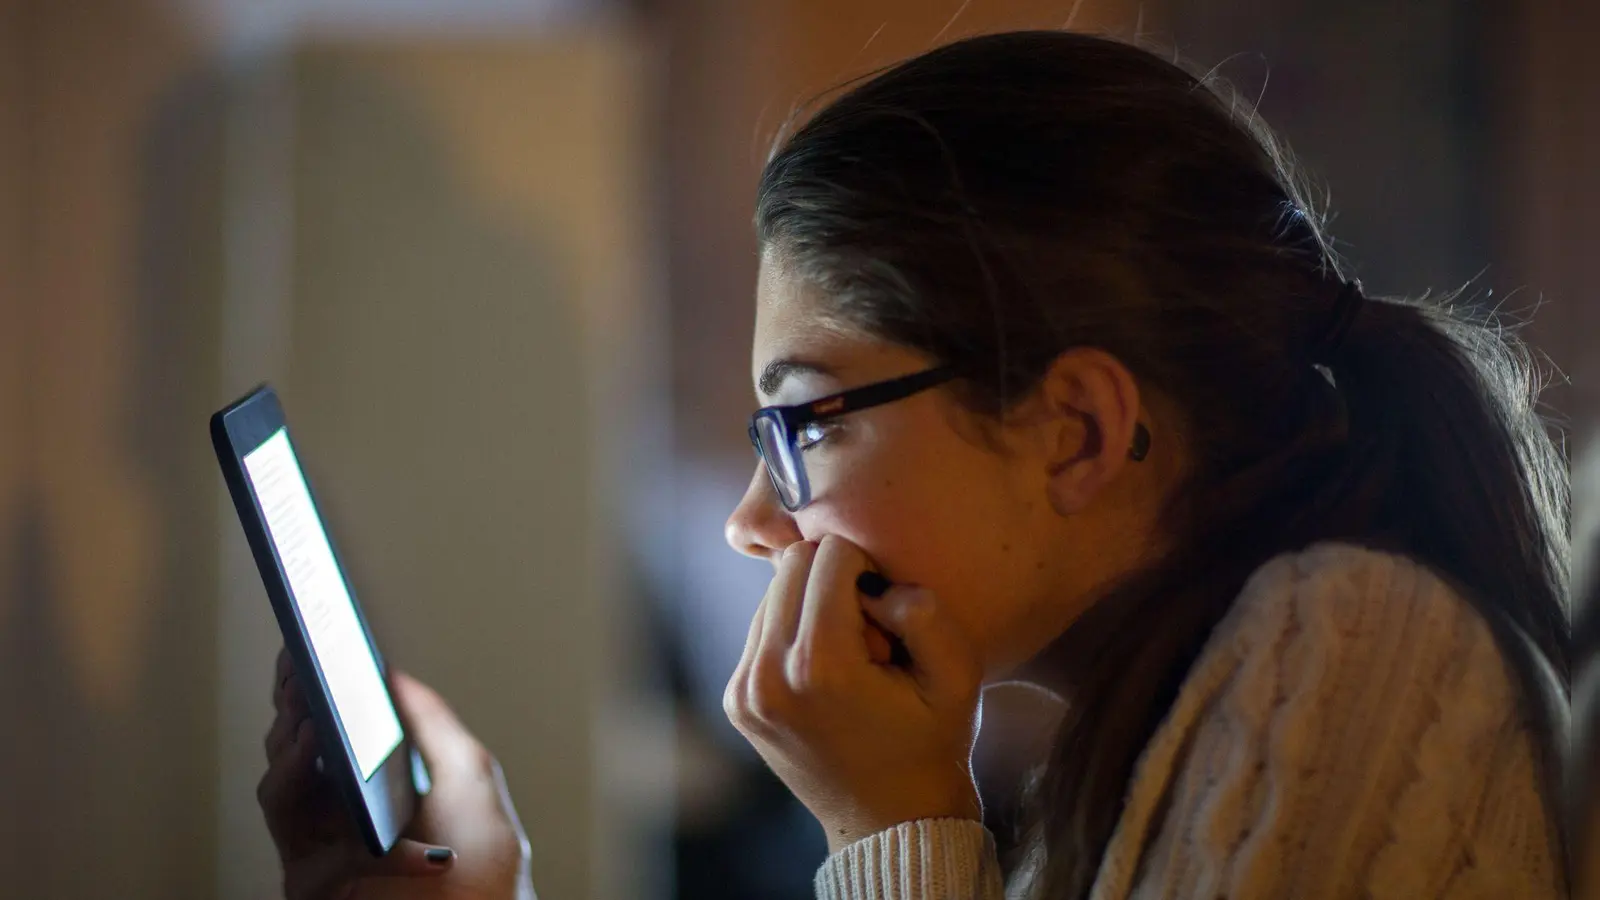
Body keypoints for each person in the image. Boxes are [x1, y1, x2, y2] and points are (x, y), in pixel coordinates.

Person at [259, 30, 1571, 900]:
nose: (751, 522)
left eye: (809, 423)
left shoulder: (1347, 649)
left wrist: (889, 829)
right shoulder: (1121, 754)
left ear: (1079, 433)